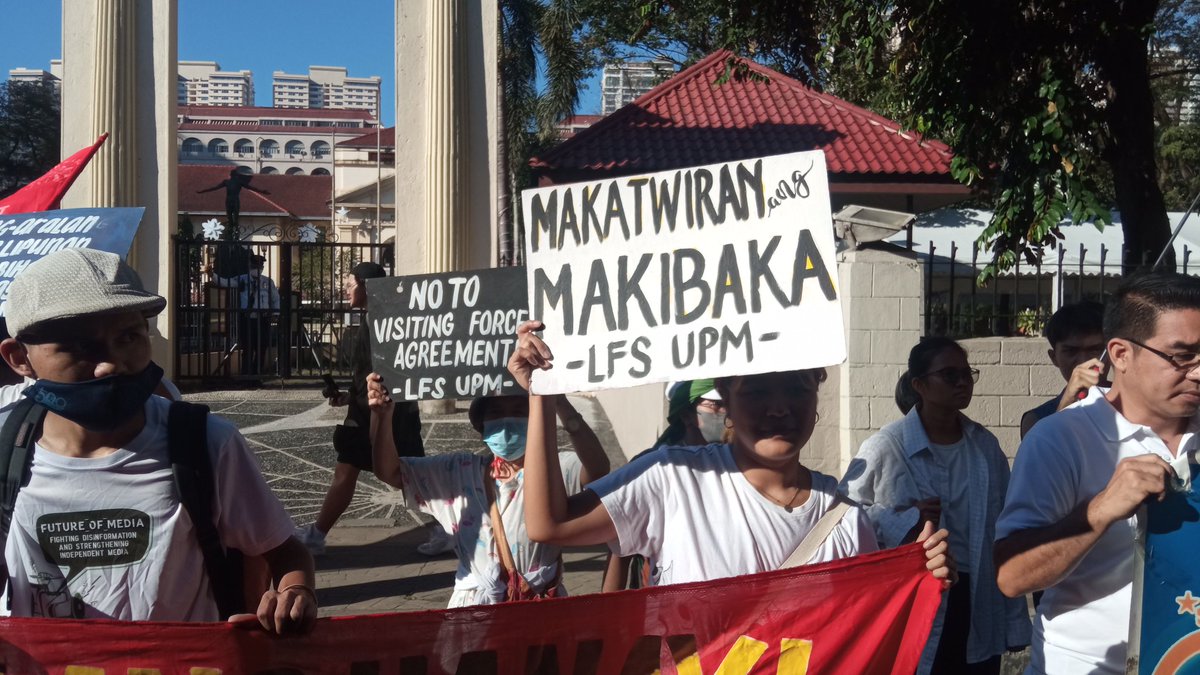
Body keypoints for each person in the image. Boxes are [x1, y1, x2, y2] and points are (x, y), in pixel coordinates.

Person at [507, 320, 955, 593]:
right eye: (757, 389)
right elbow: (550, 524)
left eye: (797, 386)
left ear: (817, 393)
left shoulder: (845, 522)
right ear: (726, 397)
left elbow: (859, 632)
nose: (779, 406)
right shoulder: (673, 479)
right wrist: (541, 395)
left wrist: (911, 576)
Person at [0, 248, 314, 633]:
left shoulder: (207, 443)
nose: (112, 363)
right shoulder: (6, 450)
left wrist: (295, 592)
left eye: (129, 336)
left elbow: (283, 550)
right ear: (19, 358)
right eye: (80, 347)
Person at [994, 272, 1200, 674]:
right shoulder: (1060, 439)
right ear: (1121, 354)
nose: (1198, 372)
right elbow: (1012, 576)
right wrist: (1100, 510)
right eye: (1182, 356)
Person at [840, 338, 1030, 675]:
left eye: (967, 374)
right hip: (916, 595)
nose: (961, 382)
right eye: (949, 374)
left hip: (976, 594)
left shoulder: (984, 447)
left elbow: (1008, 528)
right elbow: (842, 521)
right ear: (919, 385)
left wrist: (1012, 619)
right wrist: (905, 523)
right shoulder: (886, 446)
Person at [366, 376, 611, 606]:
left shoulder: (556, 469)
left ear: (535, 421)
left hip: (541, 607)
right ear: (482, 427)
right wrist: (382, 417)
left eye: (518, 411)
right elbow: (392, 472)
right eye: (496, 413)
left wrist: (559, 403)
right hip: (474, 611)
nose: (506, 421)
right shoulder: (458, 472)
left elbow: (598, 469)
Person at [295, 262, 428, 556]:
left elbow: (387, 373)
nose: (346, 289)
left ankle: (449, 527)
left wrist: (373, 417)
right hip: (369, 411)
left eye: (350, 283)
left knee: (405, 476)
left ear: (367, 287)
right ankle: (317, 534)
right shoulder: (372, 319)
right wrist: (347, 396)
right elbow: (367, 373)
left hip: (387, 415)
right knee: (351, 470)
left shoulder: (384, 322)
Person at [602, 379, 728, 592]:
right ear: (687, 415)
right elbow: (620, 548)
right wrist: (608, 613)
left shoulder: (737, 463)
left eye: (728, 403)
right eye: (716, 404)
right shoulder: (653, 467)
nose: (726, 412)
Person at [1019, 301, 1106, 438]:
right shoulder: (1037, 419)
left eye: (1094, 350)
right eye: (1071, 351)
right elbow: (1043, 456)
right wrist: (1066, 404)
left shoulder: (1136, 406)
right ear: (1054, 358)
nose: (1083, 361)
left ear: (1113, 353)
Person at [211, 254, 280, 377]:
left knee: (261, 349)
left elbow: (275, 299)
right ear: (249, 266)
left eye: (260, 265)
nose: (257, 268)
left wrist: (275, 313)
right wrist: (212, 275)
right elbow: (225, 282)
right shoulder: (242, 279)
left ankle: (257, 375)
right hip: (247, 319)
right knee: (247, 349)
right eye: (255, 265)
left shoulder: (268, 282)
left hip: (263, 319)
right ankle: (246, 376)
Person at [196, 169, 271, 235]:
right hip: (232, 200)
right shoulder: (232, 182)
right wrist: (262, 191)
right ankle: (232, 230)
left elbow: (214, 188)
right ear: (235, 176)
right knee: (233, 217)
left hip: (231, 200)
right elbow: (251, 188)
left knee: (233, 217)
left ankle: (234, 230)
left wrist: (202, 191)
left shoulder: (232, 182)